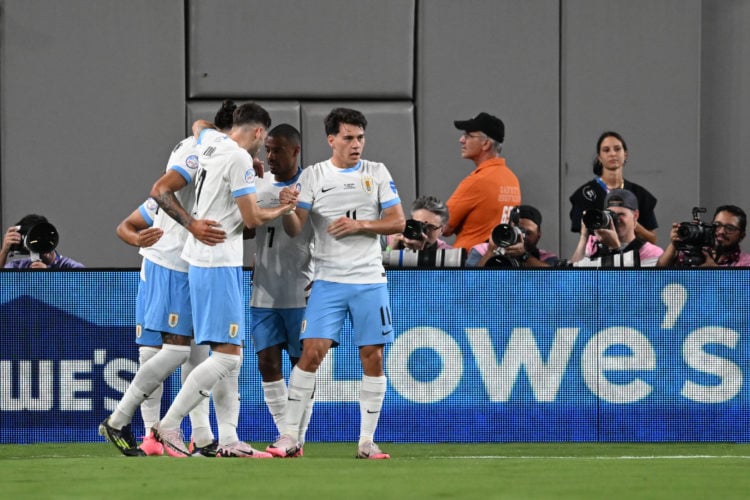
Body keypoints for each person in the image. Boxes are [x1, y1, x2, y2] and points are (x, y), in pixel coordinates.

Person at [149, 102, 292, 458]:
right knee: (228, 357)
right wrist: (283, 208)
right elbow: (253, 218)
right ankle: (168, 425)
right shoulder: (240, 159)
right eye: (264, 141)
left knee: (226, 356)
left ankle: (226, 439)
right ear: (259, 132)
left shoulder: (210, 142)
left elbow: (199, 124)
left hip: (197, 264)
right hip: (219, 264)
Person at [99, 101, 238, 457]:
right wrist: (190, 226)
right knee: (173, 352)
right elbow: (160, 189)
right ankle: (122, 420)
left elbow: (199, 123)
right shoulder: (198, 151)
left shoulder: (208, 143)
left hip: (189, 262)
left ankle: (201, 437)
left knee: (196, 353)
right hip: (171, 261)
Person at [268, 107, 405, 459]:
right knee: (310, 355)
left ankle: (366, 441)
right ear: (331, 140)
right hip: (327, 281)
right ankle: (289, 437)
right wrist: (287, 208)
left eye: (360, 137)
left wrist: (359, 226)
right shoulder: (314, 176)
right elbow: (296, 228)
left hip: (369, 281)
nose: (356, 144)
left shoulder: (376, 173)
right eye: (348, 138)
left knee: (372, 356)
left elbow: (397, 222)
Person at [250, 124, 314, 456]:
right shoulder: (260, 185)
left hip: (300, 290)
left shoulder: (311, 185)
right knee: (266, 363)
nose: (271, 156)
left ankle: (296, 436)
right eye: (268, 149)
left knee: (301, 365)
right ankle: (285, 437)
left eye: (277, 150)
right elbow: (245, 229)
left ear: (295, 151)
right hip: (264, 291)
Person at [443, 112, 521, 251]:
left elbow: (443, 226)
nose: (461, 140)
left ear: (486, 143)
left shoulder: (477, 181)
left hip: (470, 263)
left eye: (468, 135)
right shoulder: (512, 179)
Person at [569, 131, 658, 243]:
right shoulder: (584, 195)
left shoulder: (641, 194)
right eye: (606, 150)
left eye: (617, 149)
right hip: (598, 257)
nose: (612, 154)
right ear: (599, 157)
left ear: (625, 154)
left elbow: (652, 240)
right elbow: (585, 239)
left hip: (635, 257)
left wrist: (632, 223)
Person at [570, 188, 663, 267]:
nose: (615, 220)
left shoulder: (651, 252)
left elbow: (634, 285)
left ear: (635, 216)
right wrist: (584, 237)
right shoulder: (593, 244)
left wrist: (615, 248)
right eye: (610, 215)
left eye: (621, 214)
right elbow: (572, 277)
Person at [466, 205, 558, 268]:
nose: (522, 238)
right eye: (516, 231)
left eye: (527, 233)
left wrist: (524, 256)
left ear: (539, 234)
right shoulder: (482, 250)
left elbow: (553, 279)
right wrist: (491, 252)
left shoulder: (545, 258)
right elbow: (470, 282)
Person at [657, 205, 750, 267]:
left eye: (729, 228)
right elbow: (656, 275)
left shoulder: (745, 262)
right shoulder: (693, 252)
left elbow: (743, 293)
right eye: (717, 225)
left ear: (742, 235)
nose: (721, 231)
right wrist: (674, 245)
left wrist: (716, 273)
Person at [1, 214, 84, 269]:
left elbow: (84, 293)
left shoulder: (72, 268)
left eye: (43, 236)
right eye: (34, 237)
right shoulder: (18, 267)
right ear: (25, 242)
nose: (40, 240)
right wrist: (4, 252)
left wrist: (48, 277)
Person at [386, 195, 451, 252]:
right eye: (418, 224)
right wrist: (390, 249)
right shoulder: (391, 238)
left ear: (442, 230)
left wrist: (419, 254)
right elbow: (382, 258)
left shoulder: (446, 253)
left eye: (430, 227)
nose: (422, 231)